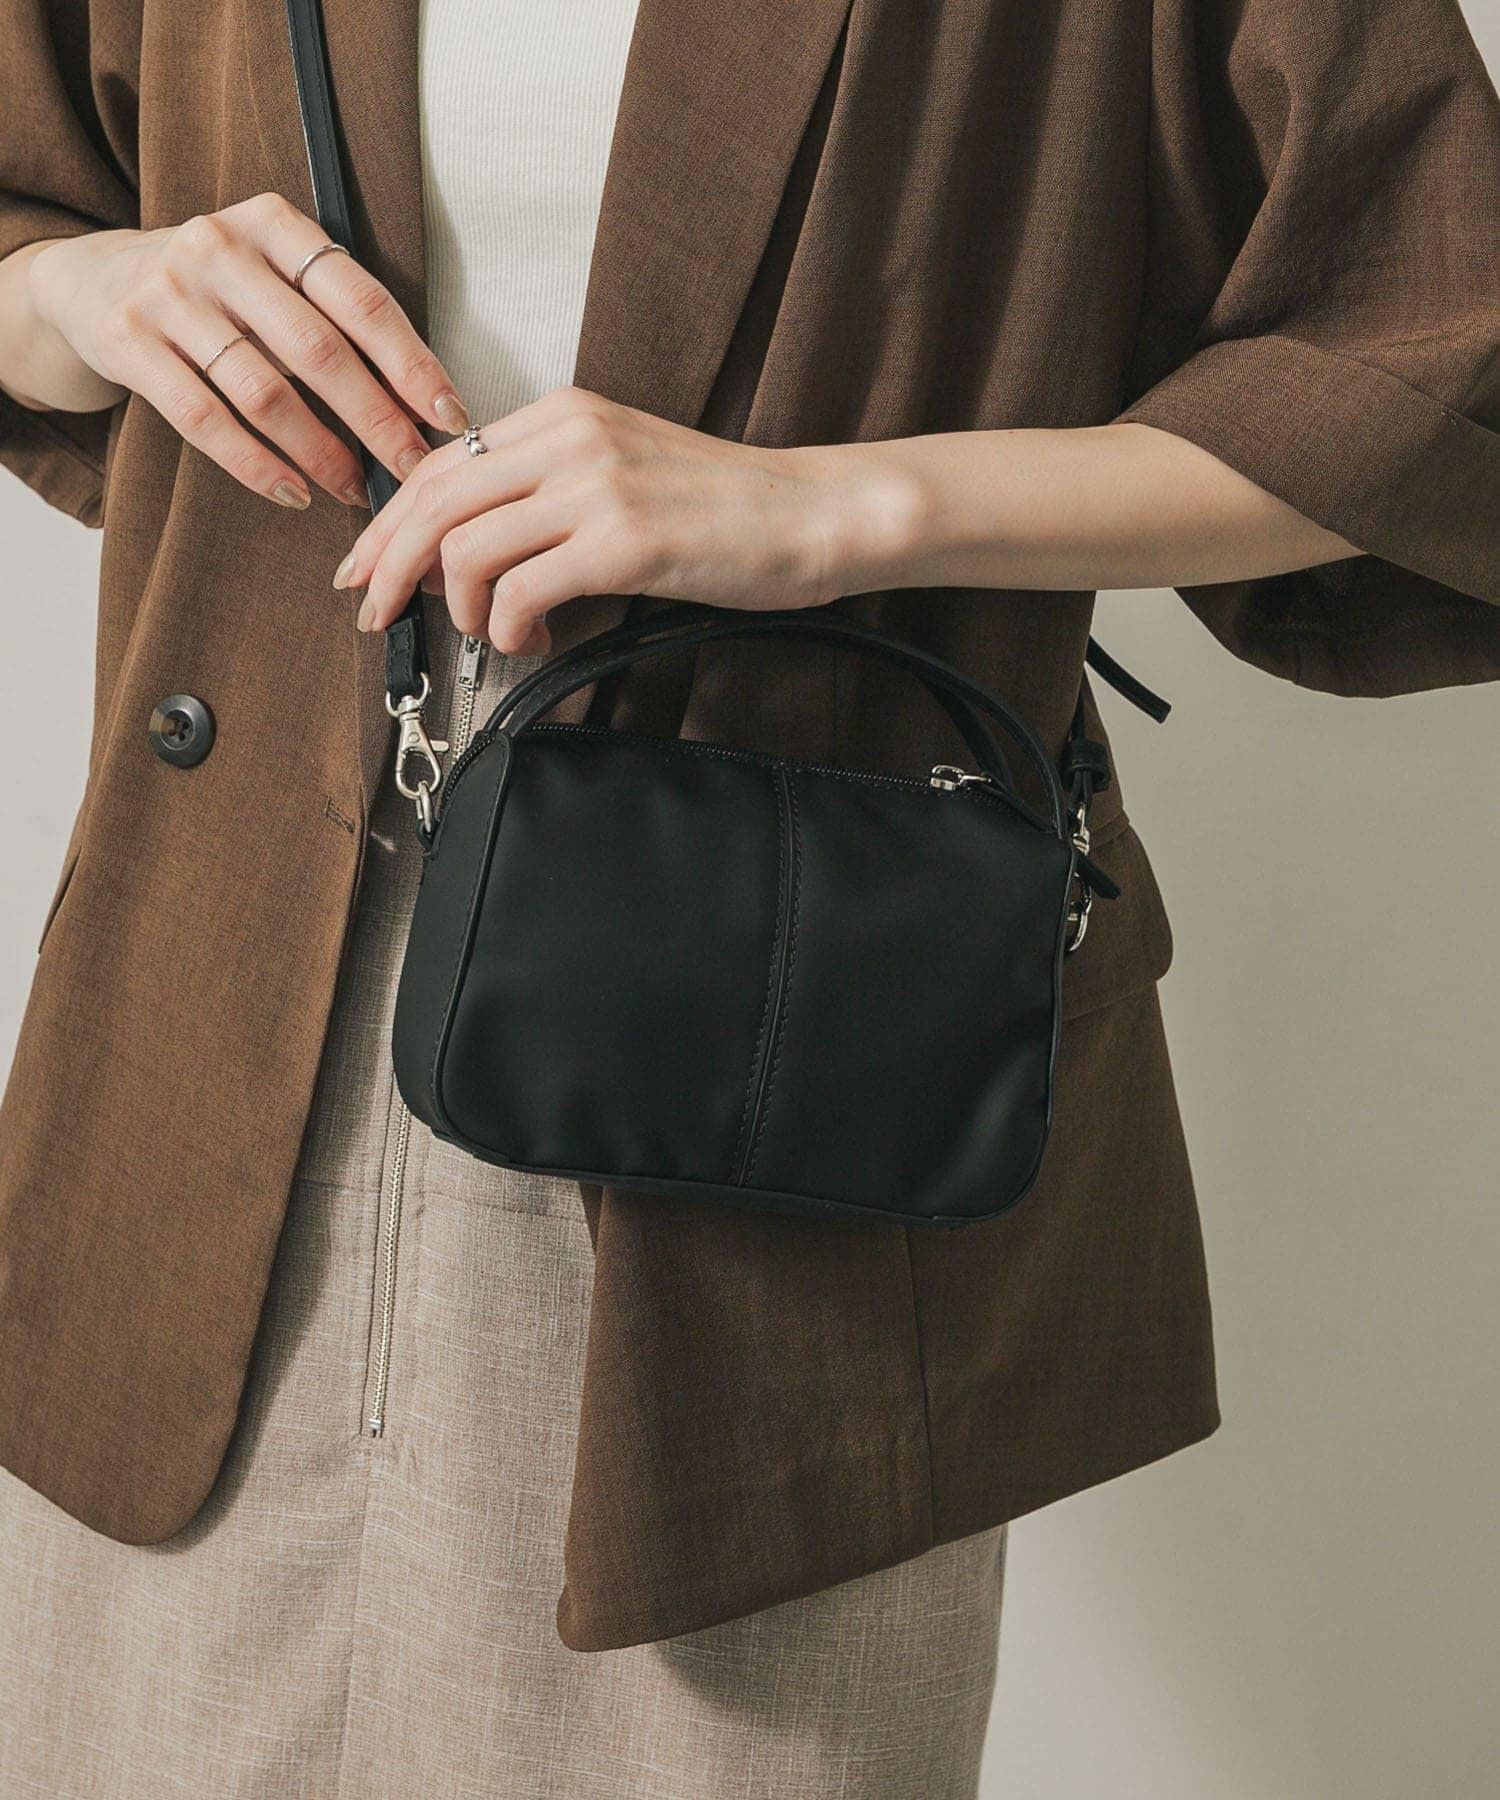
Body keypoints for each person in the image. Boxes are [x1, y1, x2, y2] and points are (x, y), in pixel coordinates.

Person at [0, 0, 1496, 1792]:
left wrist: (832, 512)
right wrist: (82, 293)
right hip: (202, 1080)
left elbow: (1437, 381)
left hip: (773, 1071)